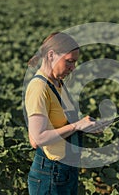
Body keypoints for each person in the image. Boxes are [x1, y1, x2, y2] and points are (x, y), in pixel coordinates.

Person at [24, 32, 104, 195]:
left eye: (74, 62)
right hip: (50, 173)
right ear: (51, 55)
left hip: (65, 170)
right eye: (69, 61)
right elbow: (37, 138)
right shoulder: (39, 88)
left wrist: (86, 126)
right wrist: (76, 126)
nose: (73, 67)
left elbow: (61, 125)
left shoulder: (57, 84)